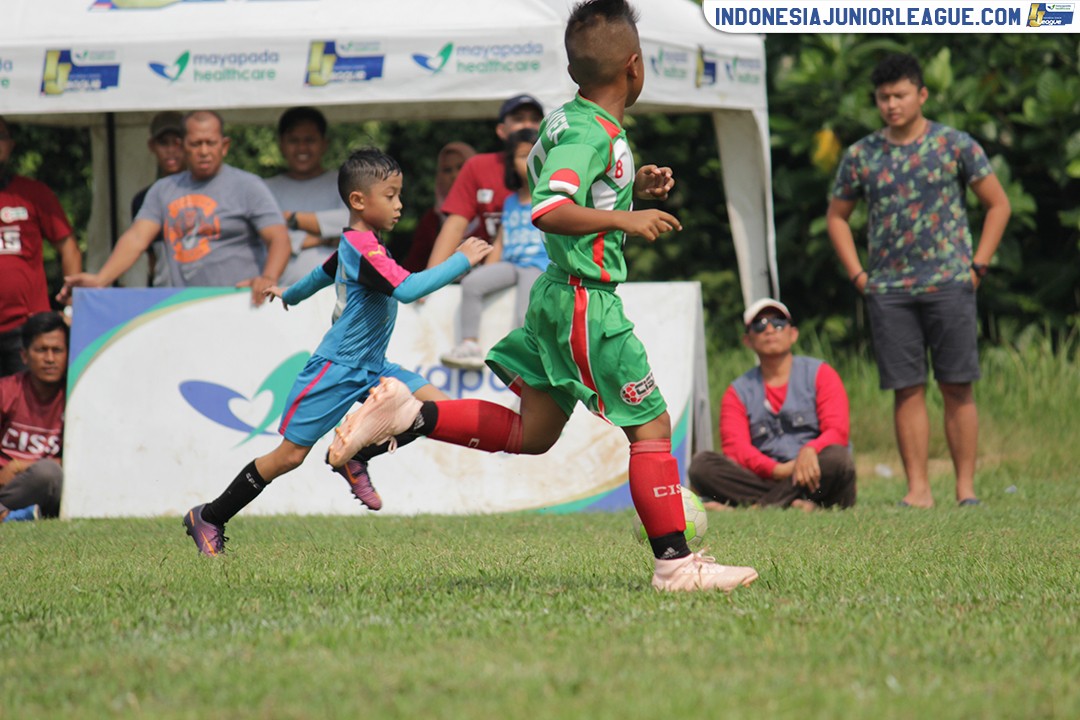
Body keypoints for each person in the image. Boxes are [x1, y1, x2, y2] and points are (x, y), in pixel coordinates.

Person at [327, 0, 758, 594]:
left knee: (534, 434)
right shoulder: (591, 132)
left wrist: (631, 189)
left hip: (557, 297)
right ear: (634, 67)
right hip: (586, 303)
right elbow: (551, 208)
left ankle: (412, 414)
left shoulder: (566, 120)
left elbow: (565, 182)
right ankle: (676, 567)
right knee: (651, 426)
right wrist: (629, 223)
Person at [181, 148, 492, 556]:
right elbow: (409, 289)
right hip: (337, 368)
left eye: (400, 195)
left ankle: (357, 453)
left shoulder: (358, 243)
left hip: (373, 366)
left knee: (440, 409)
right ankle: (210, 515)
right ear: (359, 201)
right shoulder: (366, 249)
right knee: (289, 457)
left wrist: (289, 293)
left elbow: (321, 273)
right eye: (391, 195)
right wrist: (460, 260)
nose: (400, 204)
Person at [826, 52, 1011, 508]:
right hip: (888, 290)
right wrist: (859, 275)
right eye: (883, 97)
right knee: (906, 388)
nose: (891, 104)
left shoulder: (955, 145)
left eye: (900, 95)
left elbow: (998, 204)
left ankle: (966, 490)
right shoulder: (861, 154)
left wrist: (978, 267)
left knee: (957, 384)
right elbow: (837, 217)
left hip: (950, 282)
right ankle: (918, 490)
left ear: (922, 94)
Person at [60, 110, 290, 307]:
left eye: (210, 142)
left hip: (238, 303)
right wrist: (101, 279)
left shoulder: (248, 186)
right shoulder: (163, 190)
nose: (203, 151)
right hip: (182, 307)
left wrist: (268, 277)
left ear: (225, 145)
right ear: (183, 146)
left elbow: (279, 237)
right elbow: (137, 237)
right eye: (195, 143)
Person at [688, 299, 856, 513]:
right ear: (748, 340)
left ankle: (761, 506)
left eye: (778, 323)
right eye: (759, 325)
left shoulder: (822, 374)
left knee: (838, 459)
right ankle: (795, 503)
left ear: (792, 334)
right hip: (765, 477)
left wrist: (810, 449)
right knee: (702, 465)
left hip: (816, 474)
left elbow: (837, 431)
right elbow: (736, 449)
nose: (769, 329)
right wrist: (778, 470)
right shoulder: (737, 392)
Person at [441, 128, 549, 370]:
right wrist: (489, 268)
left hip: (539, 266)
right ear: (511, 163)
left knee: (525, 312)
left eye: (536, 153)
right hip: (511, 264)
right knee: (472, 283)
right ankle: (469, 345)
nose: (530, 160)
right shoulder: (510, 201)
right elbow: (501, 239)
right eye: (523, 156)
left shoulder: (550, 197)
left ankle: (527, 364)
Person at [0, 115, 82, 376]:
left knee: (30, 411)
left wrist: (70, 306)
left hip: (27, 330)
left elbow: (68, 246)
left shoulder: (33, 192)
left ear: (11, 145)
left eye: (0, 137)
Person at [424, 93, 544, 269]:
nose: (527, 125)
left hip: (544, 271)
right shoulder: (478, 166)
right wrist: (430, 279)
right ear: (501, 130)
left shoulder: (561, 165)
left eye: (535, 119)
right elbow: (455, 225)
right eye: (518, 119)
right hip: (495, 272)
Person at [264, 106, 351, 286]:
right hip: (278, 296)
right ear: (281, 144)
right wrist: (325, 238)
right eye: (294, 140)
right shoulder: (264, 189)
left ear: (324, 143)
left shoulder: (346, 183)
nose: (302, 148)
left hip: (339, 296)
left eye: (309, 140)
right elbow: (261, 239)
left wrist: (292, 219)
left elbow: (352, 223)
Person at [0, 312, 68, 522]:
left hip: (47, 485)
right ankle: (13, 515)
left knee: (48, 473)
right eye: (41, 350)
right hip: (5, 486)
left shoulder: (77, 398)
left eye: (57, 350)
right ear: (24, 355)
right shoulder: (6, 391)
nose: (49, 359)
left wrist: (21, 465)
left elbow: (85, 460)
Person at [399, 141, 476, 273]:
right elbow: (413, 266)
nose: (454, 175)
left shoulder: (490, 211)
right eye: (447, 170)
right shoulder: (432, 220)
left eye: (461, 167)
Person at [131, 110, 187, 288]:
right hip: (164, 295)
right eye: (163, 143)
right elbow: (151, 257)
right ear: (152, 146)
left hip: (208, 293)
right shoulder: (144, 199)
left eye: (177, 143)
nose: (171, 150)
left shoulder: (209, 192)